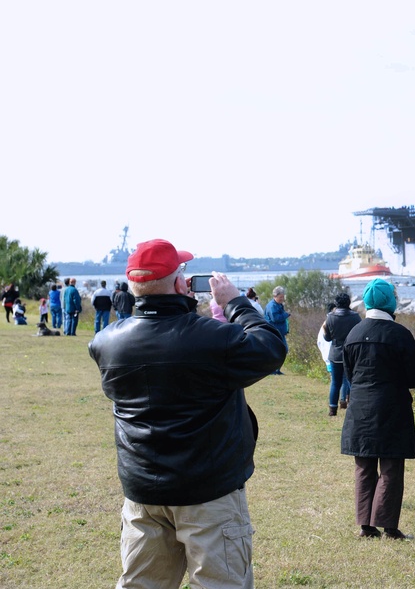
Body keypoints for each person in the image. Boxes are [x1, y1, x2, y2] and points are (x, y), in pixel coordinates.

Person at [89, 238, 287, 588]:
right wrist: (235, 303)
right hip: (208, 491)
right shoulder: (212, 339)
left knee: (141, 583)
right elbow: (270, 348)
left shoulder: (106, 343)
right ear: (181, 284)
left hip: (143, 490)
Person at [340, 278, 415, 540]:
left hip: (360, 408)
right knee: (390, 467)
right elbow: (414, 376)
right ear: (391, 302)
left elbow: (350, 375)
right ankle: (388, 525)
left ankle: (366, 525)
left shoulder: (353, 333)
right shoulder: (399, 334)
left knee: (363, 466)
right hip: (392, 408)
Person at [321, 292, 361, 416]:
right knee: (351, 381)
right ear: (349, 303)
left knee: (335, 382)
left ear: (336, 303)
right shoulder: (355, 317)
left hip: (335, 353)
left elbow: (327, 338)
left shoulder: (330, 317)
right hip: (351, 353)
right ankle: (351, 406)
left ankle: (333, 409)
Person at [264, 286, 291, 374]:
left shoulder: (279, 305)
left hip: (280, 332)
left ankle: (276, 370)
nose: (282, 299)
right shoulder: (272, 306)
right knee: (277, 351)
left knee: (283, 350)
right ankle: (273, 370)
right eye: (280, 297)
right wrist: (286, 314)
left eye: (283, 297)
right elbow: (275, 318)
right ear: (275, 296)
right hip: (274, 332)